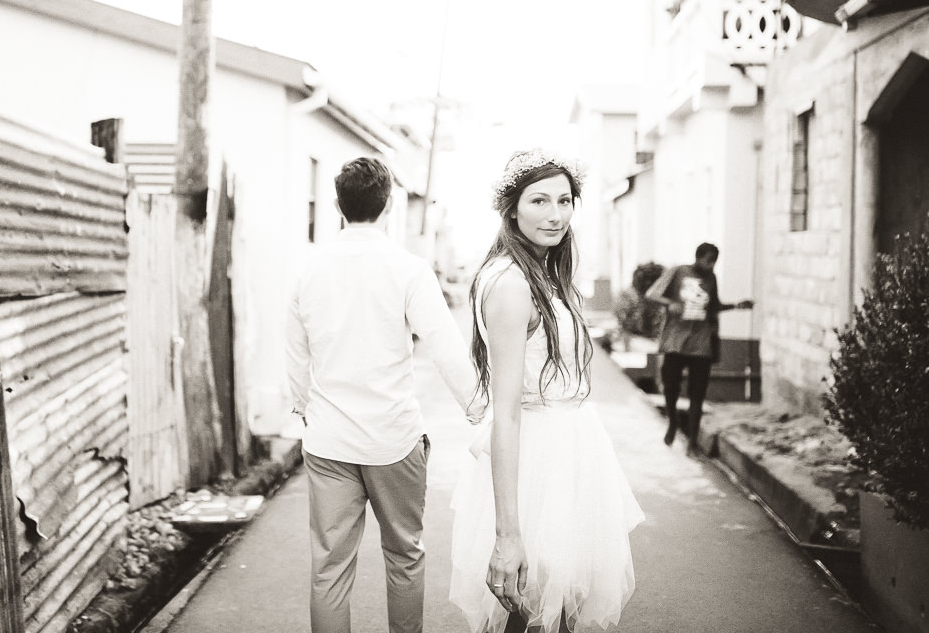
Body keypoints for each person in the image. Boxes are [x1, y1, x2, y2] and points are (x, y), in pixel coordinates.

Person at [287, 157, 484, 633]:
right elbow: (444, 344)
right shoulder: (408, 270)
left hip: (329, 440)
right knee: (405, 556)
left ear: (337, 205)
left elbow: (296, 354)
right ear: (388, 205)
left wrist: (302, 409)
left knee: (329, 568)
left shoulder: (307, 270)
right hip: (394, 439)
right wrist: (479, 408)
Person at [449, 148, 643, 633]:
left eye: (564, 200)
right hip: (539, 467)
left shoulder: (545, 273)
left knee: (553, 616)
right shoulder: (512, 284)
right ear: (512, 208)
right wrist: (508, 534)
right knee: (532, 613)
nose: (555, 215)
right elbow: (506, 413)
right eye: (538, 201)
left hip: (571, 459)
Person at [645, 242, 753, 454]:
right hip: (676, 342)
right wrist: (670, 304)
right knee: (671, 387)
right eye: (709, 260)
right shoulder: (678, 271)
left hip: (701, 344)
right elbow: (651, 294)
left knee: (698, 393)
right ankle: (673, 422)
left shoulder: (711, 279)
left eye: (715, 261)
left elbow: (713, 307)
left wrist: (736, 306)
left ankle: (693, 440)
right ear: (698, 257)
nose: (712, 265)